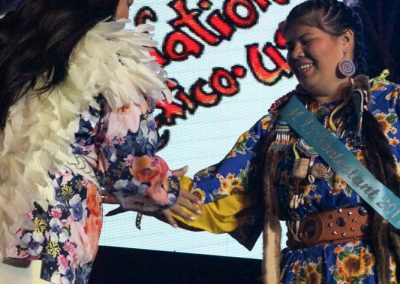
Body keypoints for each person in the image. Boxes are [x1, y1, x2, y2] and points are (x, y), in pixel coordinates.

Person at [168, 0, 400, 283]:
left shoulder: (390, 104)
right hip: (301, 273)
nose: (295, 53)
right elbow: (217, 197)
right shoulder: (277, 123)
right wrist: (149, 186)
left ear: (345, 41)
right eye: (290, 46)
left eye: (306, 41)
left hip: (376, 271)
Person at [0, 0, 200, 283]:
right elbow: (128, 164)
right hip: (51, 220)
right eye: (127, 2)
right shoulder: (113, 59)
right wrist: (166, 190)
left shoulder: (12, 40)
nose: (128, 12)